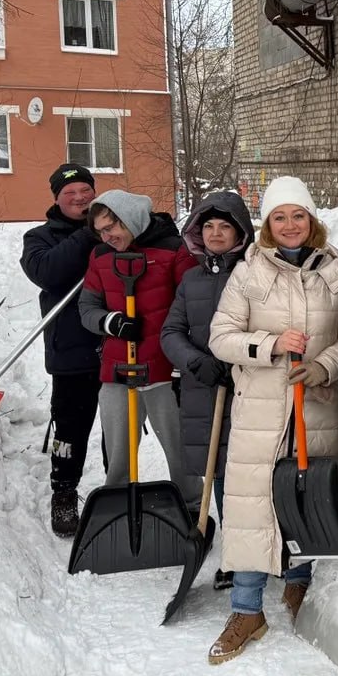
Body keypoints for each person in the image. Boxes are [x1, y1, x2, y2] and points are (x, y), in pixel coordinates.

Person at [206, 176, 338, 665]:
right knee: (253, 508)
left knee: (309, 498)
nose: (290, 225)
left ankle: (299, 584)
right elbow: (221, 338)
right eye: (279, 217)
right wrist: (269, 345)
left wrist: (323, 366)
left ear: (311, 220)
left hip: (317, 409)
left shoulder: (337, 275)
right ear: (267, 225)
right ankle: (246, 609)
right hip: (262, 412)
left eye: (298, 215)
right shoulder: (248, 274)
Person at [77, 190, 200, 510]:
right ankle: (118, 511)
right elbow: (87, 307)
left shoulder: (173, 251)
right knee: (118, 453)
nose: (106, 237)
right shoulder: (100, 256)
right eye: (100, 232)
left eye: (110, 228)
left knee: (179, 450)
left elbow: (193, 307)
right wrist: (111, 322)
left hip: (164, 370)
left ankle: (191, 509)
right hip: (117, 370)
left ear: (129, 219)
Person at [160, 191, 255, 592]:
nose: (215, 233)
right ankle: (234, 553)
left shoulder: (254, 276)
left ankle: (261, 548)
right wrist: (195, 361)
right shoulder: (191, 280)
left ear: (240, 232)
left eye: (224, 226)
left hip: (249, 388)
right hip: (205, 389)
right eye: (208, 226)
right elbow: (171, 331)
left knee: (251, 471)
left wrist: (240, 359)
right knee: (218, 468)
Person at [20, 163, 101, 536]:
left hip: (118, 343)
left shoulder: (112, 228)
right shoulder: (40, 237)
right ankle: (64, 492)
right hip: (71, 349)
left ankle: (119, 489)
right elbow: (48, 273)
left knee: (121, 427)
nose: (80, 198)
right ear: (57, 198)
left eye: (86, 191)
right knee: (69, 429)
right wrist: (87, 235)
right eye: (71, 193)